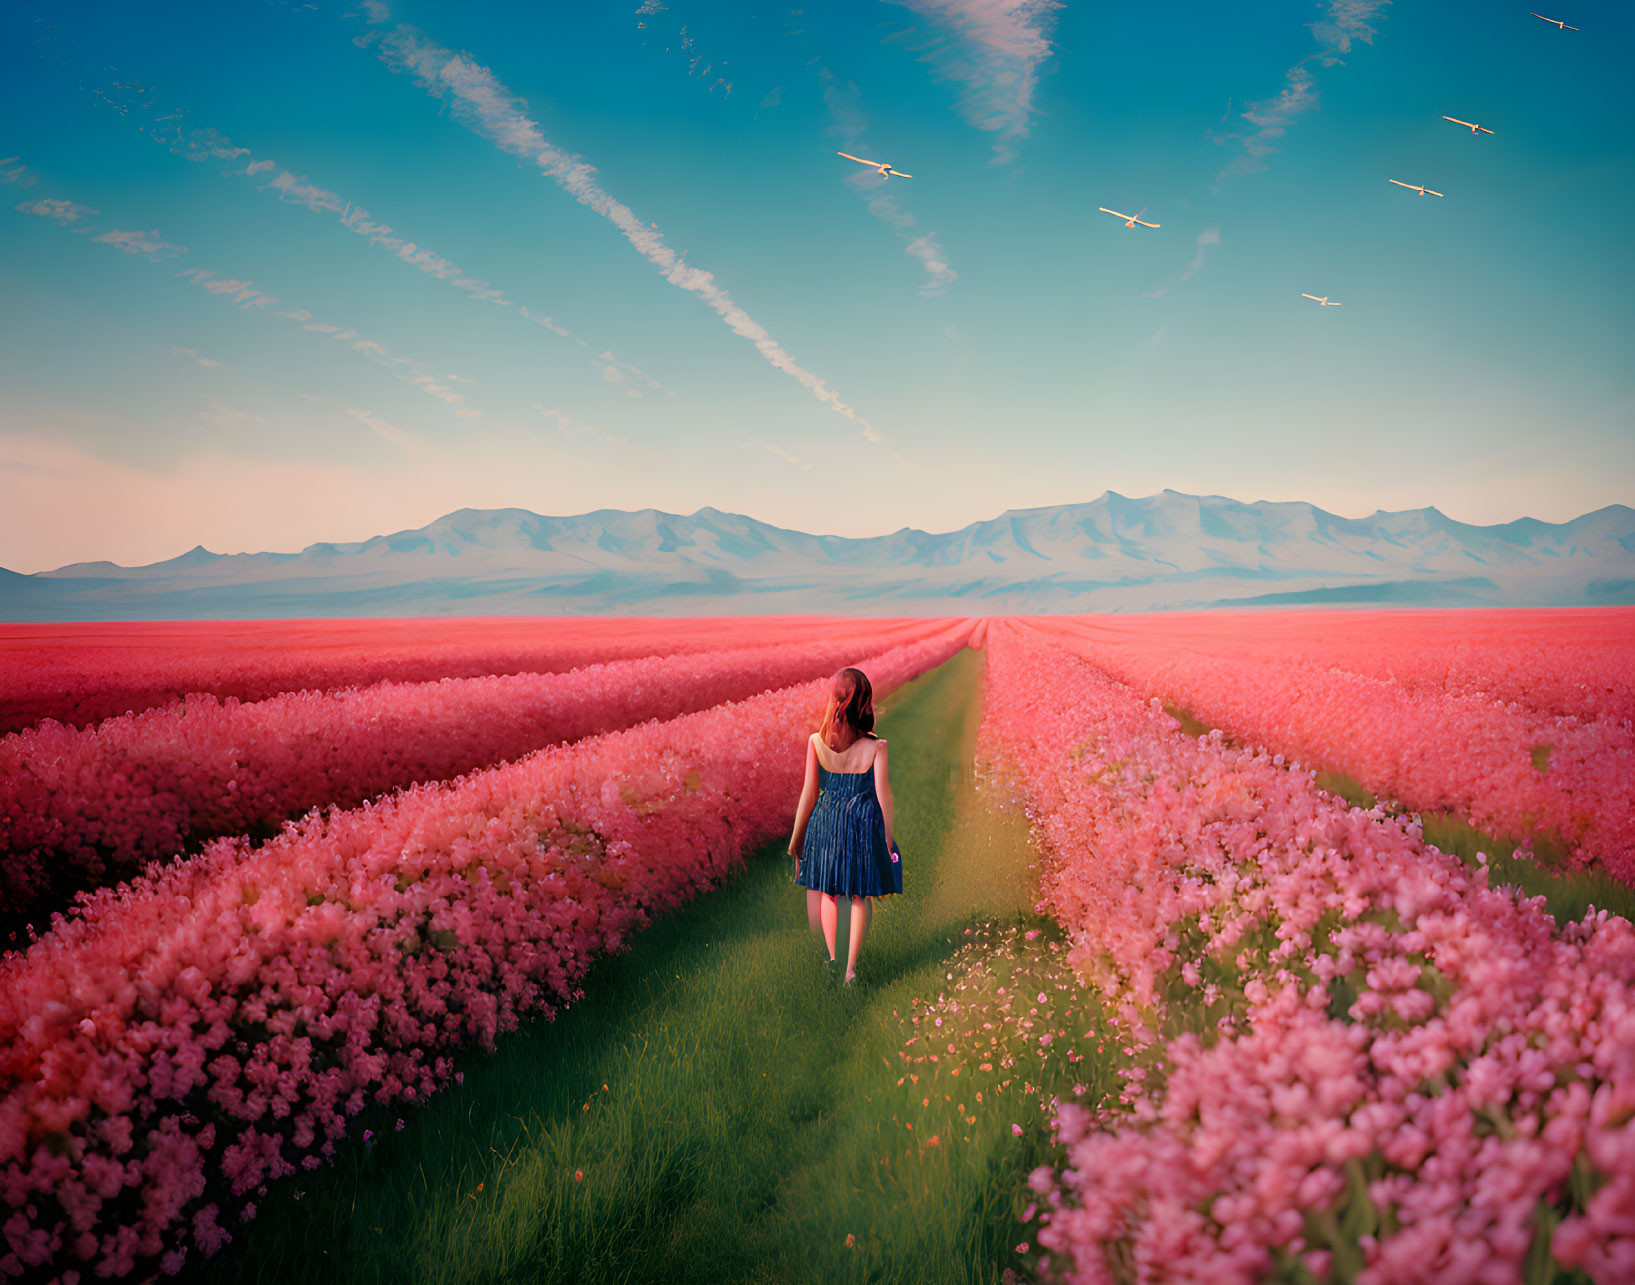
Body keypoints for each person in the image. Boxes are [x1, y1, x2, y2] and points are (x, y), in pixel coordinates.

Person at [788, 667, 900, 983]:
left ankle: (833, 958)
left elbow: (809, 794)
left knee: (828, 892)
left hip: (825, 820)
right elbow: (883, 797)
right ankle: (851, 969)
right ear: (865, 704)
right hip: (862, 822)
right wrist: (887, 840)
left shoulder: (816, 742)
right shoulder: (877, 747)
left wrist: (797, 838)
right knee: (859, 896)